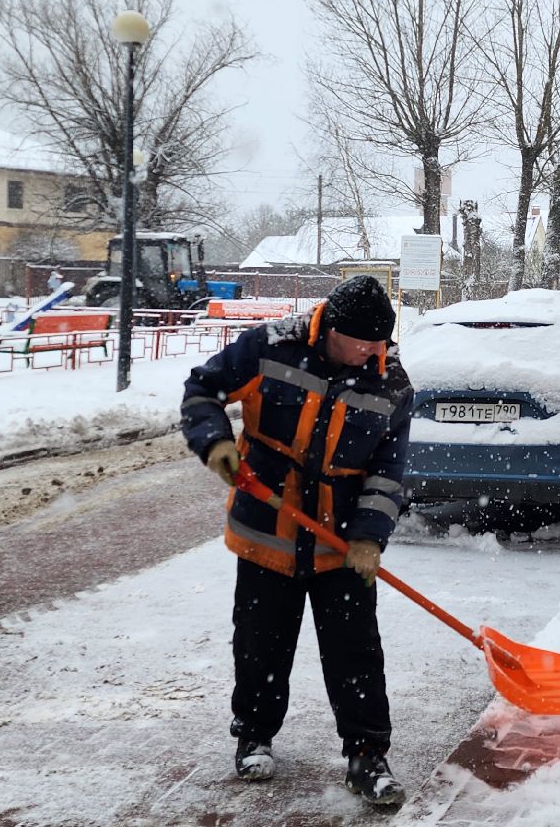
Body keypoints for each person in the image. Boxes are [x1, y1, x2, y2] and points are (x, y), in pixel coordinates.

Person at [179, 275, 412, 809]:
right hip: (268, 528)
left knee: (356, 652)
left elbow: (387, 471)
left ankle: (367, 754)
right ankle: (254, 736)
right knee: (262, 641)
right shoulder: (271, 346)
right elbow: (202, 389)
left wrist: (371, 538)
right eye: (363, 343)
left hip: (341, 540)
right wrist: (214, 441)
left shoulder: (391, 383)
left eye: (380, 343)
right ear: (332, 329)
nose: (373, 352)